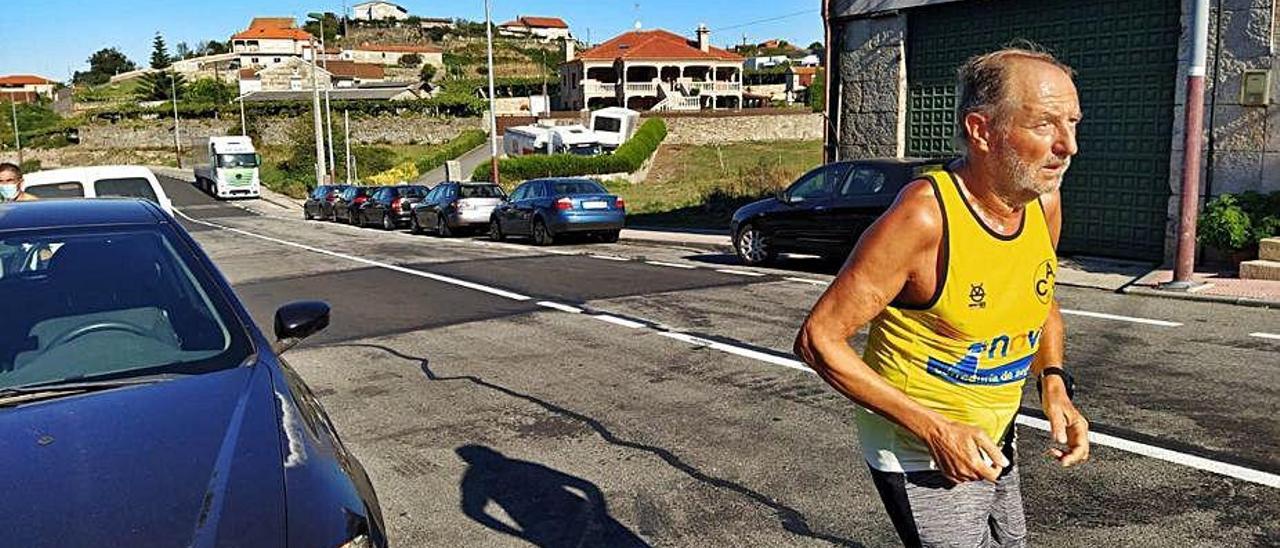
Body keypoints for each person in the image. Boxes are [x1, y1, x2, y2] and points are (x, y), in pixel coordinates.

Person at [794, 46, 1090, 547]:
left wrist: (1053, 382)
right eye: (1044, 125)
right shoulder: (925, 217)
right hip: (920, 450)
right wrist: (935, 431)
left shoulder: (1043, 203)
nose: (1069, 145)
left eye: (1074, 123)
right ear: (981, 130)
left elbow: (1039, 295)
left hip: (995, 433)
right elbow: (819, 339)